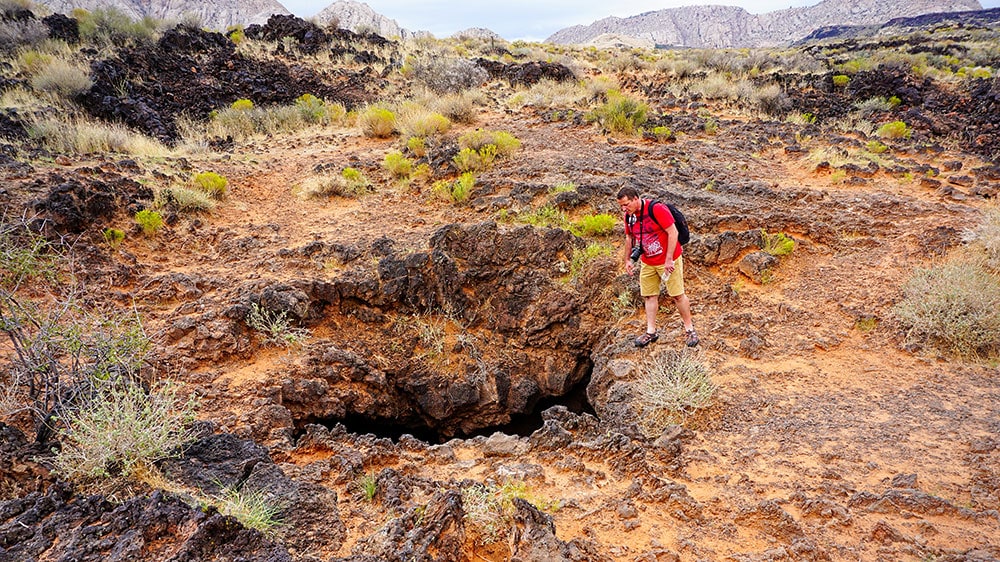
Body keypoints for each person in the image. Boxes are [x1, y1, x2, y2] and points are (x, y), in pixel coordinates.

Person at [617, 186, 698, 348]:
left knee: (677, 295)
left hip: (668, 259)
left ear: (635, 198)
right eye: (621, 206)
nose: (624, 209)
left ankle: (689, 329)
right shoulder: (629, 217)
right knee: (649, 295)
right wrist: (628, 260)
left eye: (626, 204)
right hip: (648, 261)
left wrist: (669, 260)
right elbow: (629, 238)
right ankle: (651, 331)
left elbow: (673, 233)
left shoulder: (657, 209)